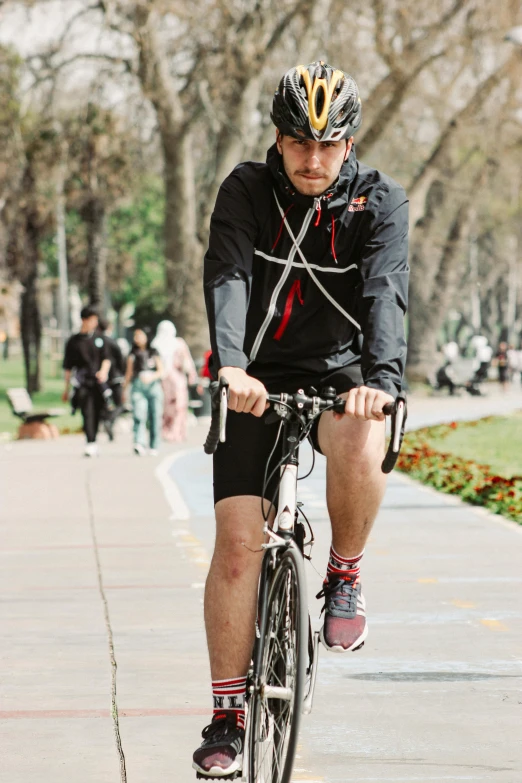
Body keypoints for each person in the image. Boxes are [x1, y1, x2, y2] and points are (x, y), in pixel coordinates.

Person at [192, 61, 409, 778]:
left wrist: (380, 383)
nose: (313, 160)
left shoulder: (380, 203)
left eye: (328, 144)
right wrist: (230, 366)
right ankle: (228, 712)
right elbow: (226, 275)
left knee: (362, 432)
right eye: (298, 143)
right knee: (234, 545)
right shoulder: (246, 190)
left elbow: (384, 295)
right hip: (253, 375)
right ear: (277, 140)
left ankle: (343, 574)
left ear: (351, 143)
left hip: (340, 374)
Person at [62, 305, 111, 457]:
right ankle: (90, 442)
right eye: (92, 320)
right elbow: (68, 367)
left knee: (98, 411)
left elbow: (106, 359)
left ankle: (94, 440)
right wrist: (66, 389)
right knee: (87, 411)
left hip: (98, 382)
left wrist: (103, 372)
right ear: (84, 320)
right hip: (82, 382)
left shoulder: (99, 339)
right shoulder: (73, 341)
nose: (95, 323)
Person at [151, 320, 198, 442]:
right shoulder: (156, 344)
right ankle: (168, 432)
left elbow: (187, 360)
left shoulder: (177, 343)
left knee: (177, 406)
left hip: (172, 379)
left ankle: (175, 432)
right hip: (167, 380)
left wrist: (191, 374)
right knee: (168, 407)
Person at [124, 328, 164, 456]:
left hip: (153, 386)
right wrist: (124, 390)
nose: (138, 339)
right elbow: (129, 373)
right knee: (139, 414)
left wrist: (152, 377)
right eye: (136, 336)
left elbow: (161, 370)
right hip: (138, 385)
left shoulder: (154, 352)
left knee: (155, 415)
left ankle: (154, 445)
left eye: (140, 336)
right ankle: (139, 442)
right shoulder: (132, 354)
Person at [97, 317, 126, 440]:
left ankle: (107, 422)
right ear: (110, 328)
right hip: (115, 376)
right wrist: (123, 373)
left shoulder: (96, 340)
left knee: (103, 403)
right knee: (120, 404)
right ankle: (110, 420)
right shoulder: (112, 342)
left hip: (100, 377)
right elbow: (120, 358)